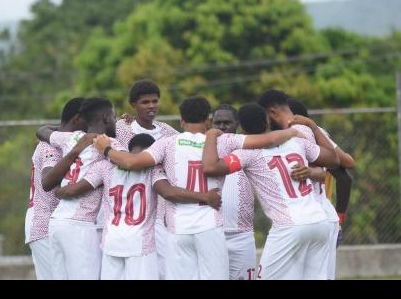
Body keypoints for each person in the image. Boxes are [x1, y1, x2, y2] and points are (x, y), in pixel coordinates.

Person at [93, 96, 302, 279]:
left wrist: (107, 150)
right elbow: (268, 139)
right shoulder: (224, 140)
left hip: (178, 230)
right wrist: (292, 132)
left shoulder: (168, 143)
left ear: (182, 121)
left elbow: (131, 162)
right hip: (209, 227)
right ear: (209, 121)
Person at [202, 102, 340, 279]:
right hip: (320, 222)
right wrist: (313, 126)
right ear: (267, 122)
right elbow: (334, 159)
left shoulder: (247, 154)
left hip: (289, 226)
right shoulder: (297, 142)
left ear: (242, 129)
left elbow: (210, 167)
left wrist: (212, 135)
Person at [55, 133, 221, 279]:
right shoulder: (153, 169)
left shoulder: (105, 166)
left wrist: (57, 191)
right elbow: (169, 193)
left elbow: (72, 191)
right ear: (151, 152)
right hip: (140, 245)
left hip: (111, 242)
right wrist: (204, 196)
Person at [258, 90, 355, 279]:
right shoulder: (309, 131)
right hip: (319, 218)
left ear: (272, 113)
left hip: (308, 216)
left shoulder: (297, 133)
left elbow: (340, 167)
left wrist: (315, 171)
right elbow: (339, 166)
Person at [36, 97, 123, 280]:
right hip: (79, 226)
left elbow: (41, 131)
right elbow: (129, 161)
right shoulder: (109, 146)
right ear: (106, 118)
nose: (115, 122)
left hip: (57, 223)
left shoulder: (71, 137)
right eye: (114, 117)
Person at [114, 79, 179, 279]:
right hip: (129, 210)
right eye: (145, 102)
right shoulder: (121, 128)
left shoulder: (168, 132)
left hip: (159, 210)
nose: (151, 106)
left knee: (162, 268)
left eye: (154, 101)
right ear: (133, 105)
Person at [24, 97, 86, 280]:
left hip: (58, 224)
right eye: (88, 121)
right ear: (77, 119)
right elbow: (47, 180)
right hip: (43, 224)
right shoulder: (49, 146)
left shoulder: (64, 143)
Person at [212, 104, 257, 280]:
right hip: (212, 234)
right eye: (218, 123)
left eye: (227, 123)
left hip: (242, 235)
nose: (222, 127)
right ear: (210, 123)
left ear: (237, 123)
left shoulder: (250, 149)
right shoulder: (202, 150)